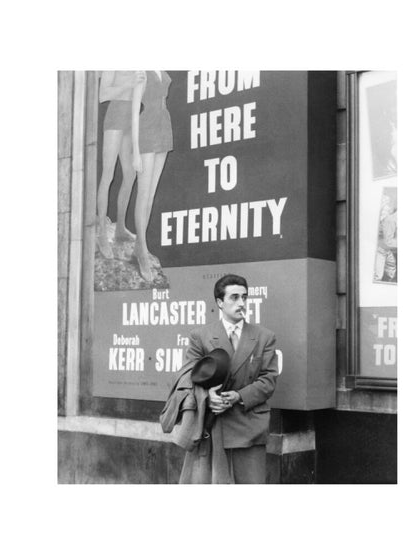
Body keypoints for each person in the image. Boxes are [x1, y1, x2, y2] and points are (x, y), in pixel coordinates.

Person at [180, 274, 279, 484]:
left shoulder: (264, 337)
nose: (241, 303)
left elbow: (268, 380)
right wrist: (208, 397)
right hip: (213, 427)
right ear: (219, 302)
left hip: (249, 427)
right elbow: (188, 378)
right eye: (234, 297)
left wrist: (238, 396)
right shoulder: (201, 336)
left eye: (244, 297)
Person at [96, 70, 146, 258]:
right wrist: (129, 84)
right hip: (115, 115)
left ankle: (120, 227)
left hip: (132, 117)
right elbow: (103, 95)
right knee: (108, 174)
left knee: (130, 174)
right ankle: (102, 232)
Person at [131, 70, 173, 281]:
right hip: (147, 128)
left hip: (164, 126)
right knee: (143, 194)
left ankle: (140, 246)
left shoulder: (163, 70)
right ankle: (142, 251)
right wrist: (136, 152)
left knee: (151, 195)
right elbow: (134, 111)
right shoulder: (141, 70)